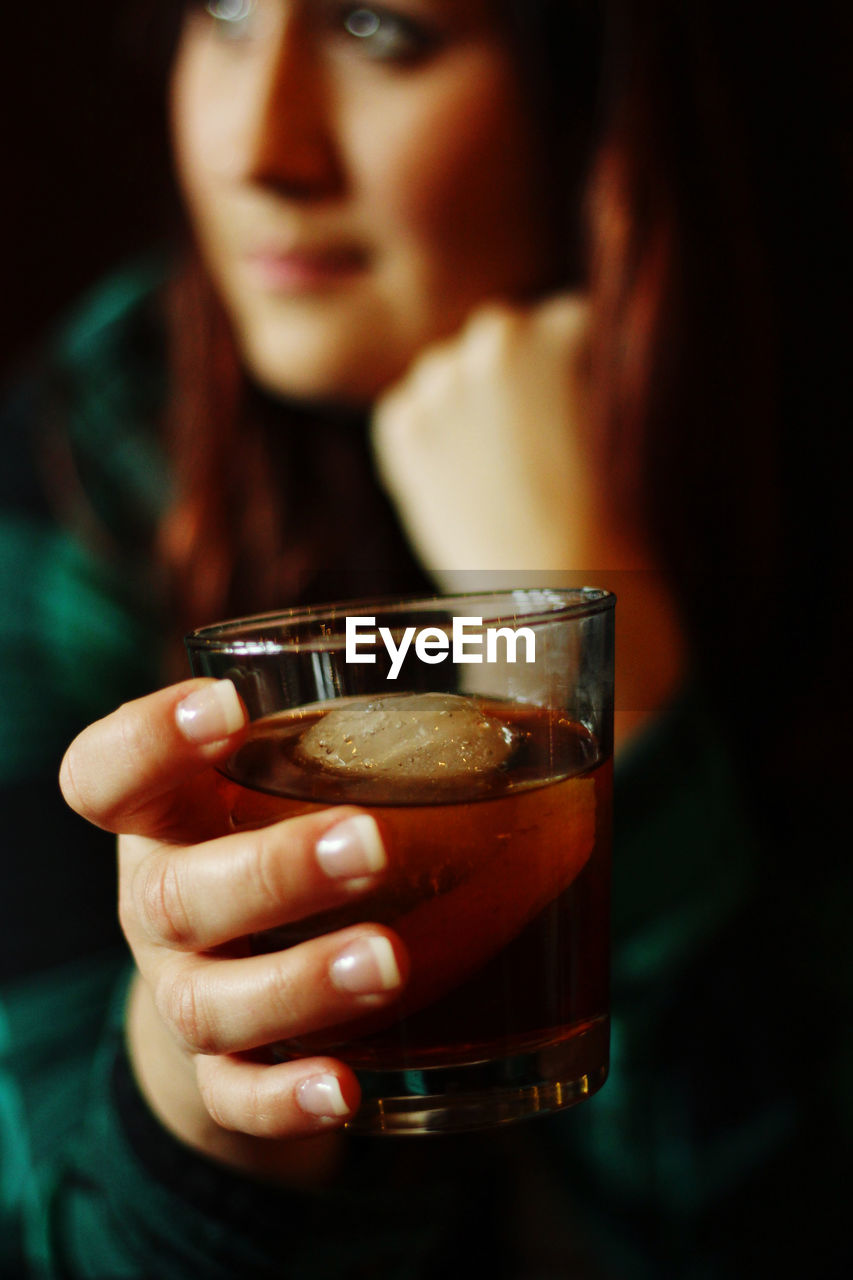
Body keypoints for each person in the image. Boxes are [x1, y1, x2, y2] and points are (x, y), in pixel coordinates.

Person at [1, 1, 851, 1275]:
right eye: (223, 16)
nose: (255, 145)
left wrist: (578, 608)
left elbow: (776, 1214)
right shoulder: (104, 437)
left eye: (376, 29)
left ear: (595, 99)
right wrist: (199, 1098)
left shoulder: (810, 445)